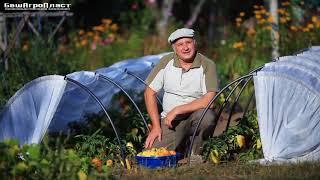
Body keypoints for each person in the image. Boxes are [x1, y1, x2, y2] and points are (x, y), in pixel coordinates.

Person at [143, 28, 219, 159]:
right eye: (180, 44)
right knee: (151, 154)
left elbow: (209, 100)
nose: (185, 48)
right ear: (174, 48)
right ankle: (182, 144)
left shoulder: (207, 64)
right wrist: (156, 126)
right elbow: (149, 93)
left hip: (196, 116)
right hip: (170, 121)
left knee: (207, 117)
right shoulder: (166, 62)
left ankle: (196, 153)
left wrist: (178, 109)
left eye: (188, 42)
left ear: (194, 43)